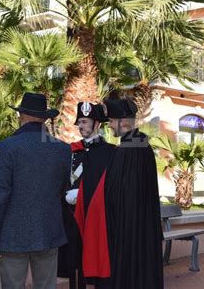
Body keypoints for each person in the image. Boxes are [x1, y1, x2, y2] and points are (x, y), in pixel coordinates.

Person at [0, 92, 71, 289]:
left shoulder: (8, 147)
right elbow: (64, 188)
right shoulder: (62, 149)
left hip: (14, 233)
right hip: (49, 230)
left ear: (21, 116)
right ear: (45, 118)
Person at [76, 97, 163, 289]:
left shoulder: (127, 150)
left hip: (125, 231)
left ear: (123, 121)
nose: (110, 127)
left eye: (112, 122)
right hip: (140, 228)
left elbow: (115, 194)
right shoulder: (142, 145)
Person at [58, 102, 115, 289]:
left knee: (96, 260)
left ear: (97, 123)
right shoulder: (71, 150)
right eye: (79, 122)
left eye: (84, 122)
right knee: (73, 261)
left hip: (97, 217)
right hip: (72, 216)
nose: (80, 126)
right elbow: (62, 179)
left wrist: (82, 194)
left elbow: (110, 187)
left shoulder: (110, 152)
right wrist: (66, 192)